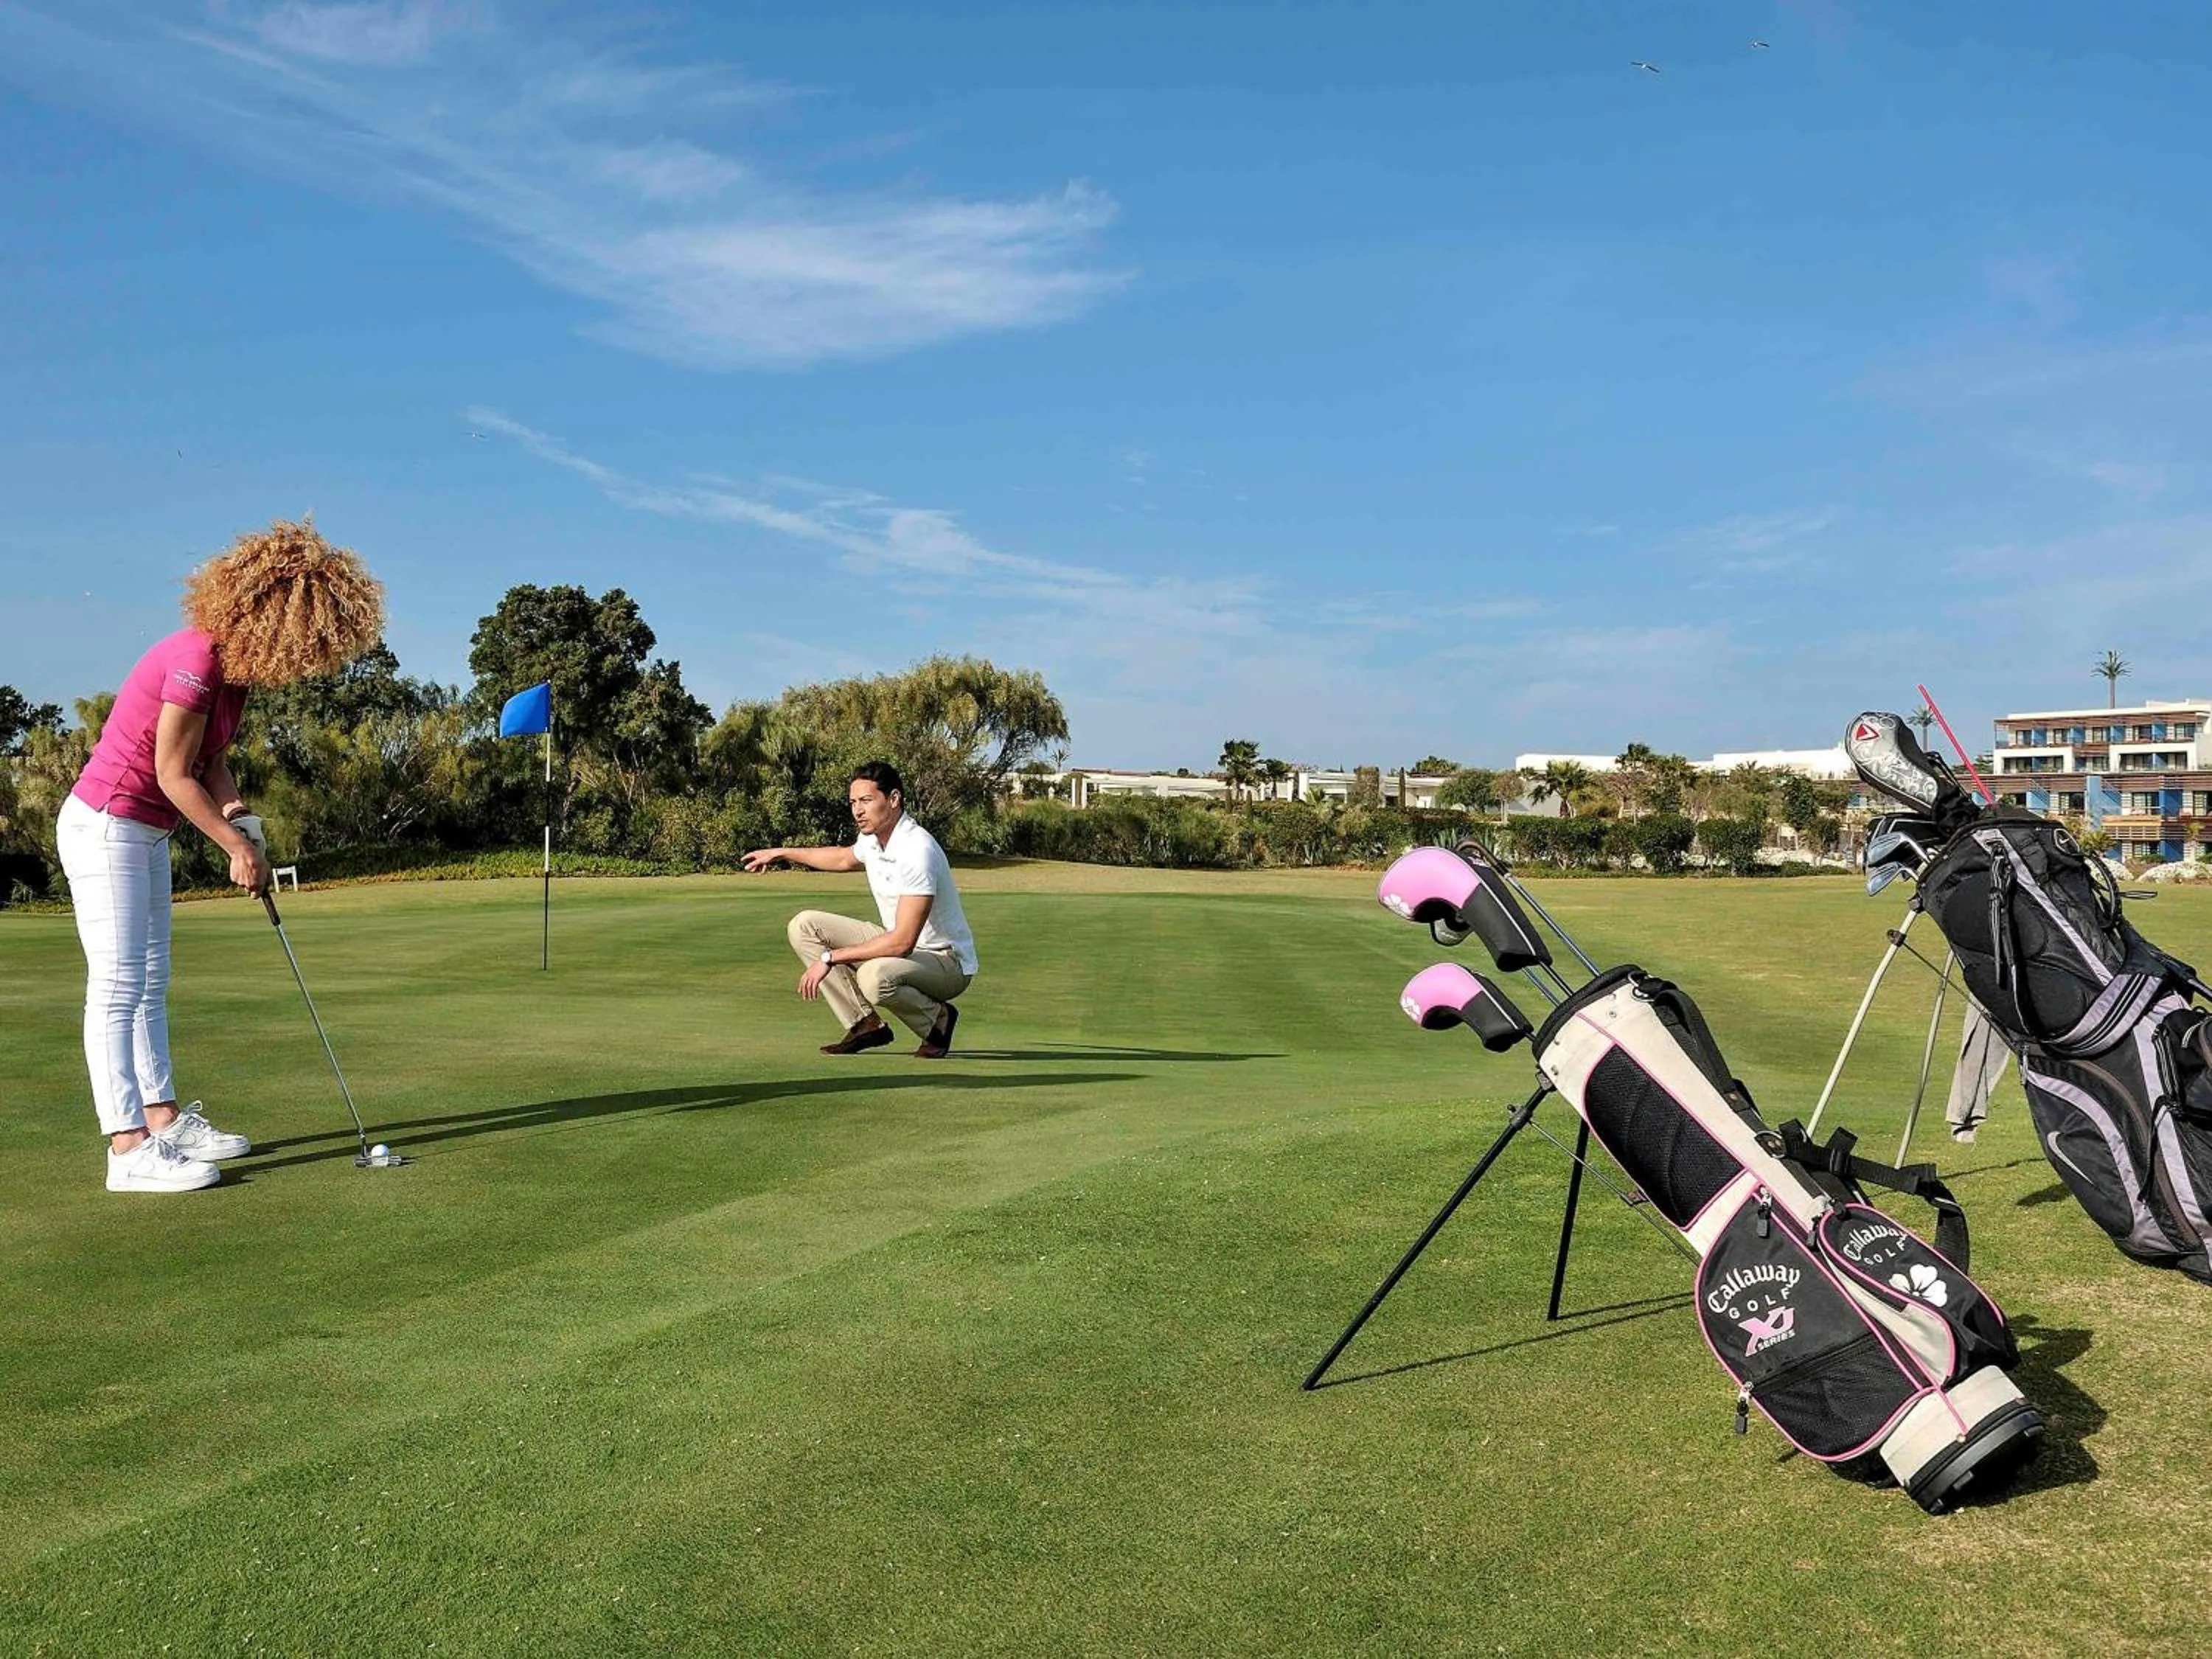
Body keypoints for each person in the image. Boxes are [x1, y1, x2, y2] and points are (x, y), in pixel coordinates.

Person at [59, 518, 384, 1193]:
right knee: (118, 986)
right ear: (274, 615)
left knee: (150, 980)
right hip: (107, 824)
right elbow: (173, 772)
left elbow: (212, 764)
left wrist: (239, 816)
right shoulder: (197, 662)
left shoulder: (233, 674)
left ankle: (163, 1120)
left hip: (144, 831)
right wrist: (234, 848)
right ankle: (127, 1149)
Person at [743, 761, 978, 1058]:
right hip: (903, 948)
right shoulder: (872, 840)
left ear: (893, 799)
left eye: (866, 800)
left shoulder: (917, 850)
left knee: (874, 977)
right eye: (853, 802)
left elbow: (902, 941)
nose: (857, 810)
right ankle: (865, 1024)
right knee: (804, 925)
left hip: (946, 963)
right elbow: (842, 858)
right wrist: (782, 853)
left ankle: (938, 1019)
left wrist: (829, 958)